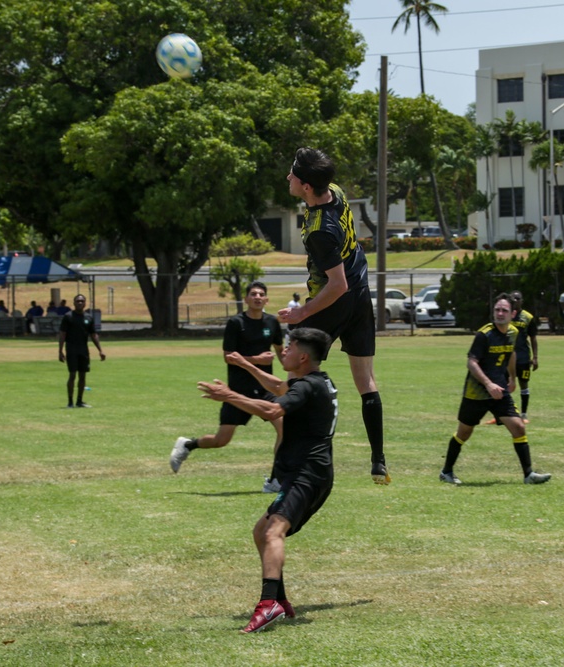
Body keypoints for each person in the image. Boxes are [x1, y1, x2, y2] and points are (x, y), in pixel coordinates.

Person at [197, 327, 337, 633]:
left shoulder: (307, 387)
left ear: (302, 356)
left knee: (273, 532)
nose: (282, 352)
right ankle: (281, 602)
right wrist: (247, 366)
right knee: (262, 531)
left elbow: (274, 408)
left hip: (307, 475)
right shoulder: (317, 380)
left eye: (288, 348)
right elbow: (278, 386)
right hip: (308, 473)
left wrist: (229, 396)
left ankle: (268, 604)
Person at [278, 146, 389, 485]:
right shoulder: (335, 193)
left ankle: (287, 467)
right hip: (360, 294)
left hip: (335, 299)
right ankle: (378, 461)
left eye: (294, 174)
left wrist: (303, 312)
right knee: (365, 381)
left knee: (292, 368)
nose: (288, 177)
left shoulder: (320, 232)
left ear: (307, 187)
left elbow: (336, 284)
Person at [170, 281, 285, 492]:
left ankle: (275, 480)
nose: (257, 297)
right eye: (253, 294)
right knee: (220, 440)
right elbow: (228, 357)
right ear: (246, 299)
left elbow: (279, 348)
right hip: (238, 391)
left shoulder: (272, 322)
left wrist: (287, 362)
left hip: (265, 390)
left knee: (284, 429)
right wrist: (257, 360)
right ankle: (188, 444)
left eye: (261, 294)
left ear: (266, 299)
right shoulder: (236, 323)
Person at [439, 294, 552, 486]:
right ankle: (446, 471)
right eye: (497, 310)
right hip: (476, 392)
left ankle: (528, 474)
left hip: (500, 390)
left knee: (518, 427)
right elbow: (472, 362)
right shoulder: (484, 335)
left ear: (513, 313)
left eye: (504, 310)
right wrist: (488, 384)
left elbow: (511, 353)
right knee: (464, 433)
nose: (500, 313)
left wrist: (512, 378)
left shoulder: (513, 332)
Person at [487, 290, 538, 425]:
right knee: (501, 385)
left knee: (523, 384)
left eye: (517, 299)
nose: (515, 301)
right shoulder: (506, 315)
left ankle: (523, 414)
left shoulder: (528, 317)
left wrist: (535, 357)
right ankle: (500, 416)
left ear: (522, 301)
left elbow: (533, 338)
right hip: (506, 357)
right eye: (513, 299)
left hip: (523, 358)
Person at [58, 294, 105, 407]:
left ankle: (79, 401)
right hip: (71, 348)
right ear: (74, 303)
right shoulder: (68, 317)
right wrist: (60, 350)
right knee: (72, 375)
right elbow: (62, 334)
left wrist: (100, 350)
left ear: (85, 303)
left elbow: (93, 335)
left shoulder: (88, 317)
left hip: (83, 349)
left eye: (82, 301)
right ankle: (70, 401)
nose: (80, 303)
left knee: (83, 375)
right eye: (77, 301)